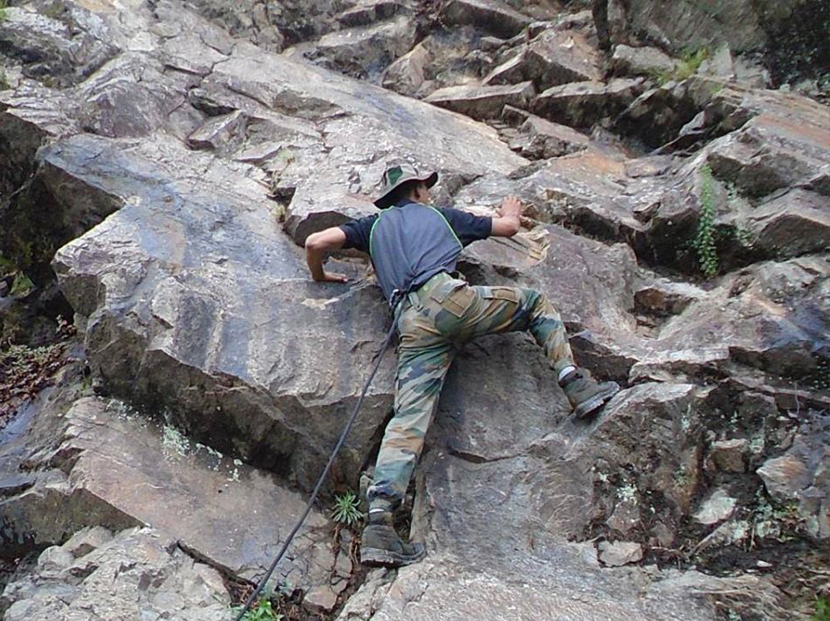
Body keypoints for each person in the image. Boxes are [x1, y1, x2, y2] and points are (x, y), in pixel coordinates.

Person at [304, 164, 620, 568]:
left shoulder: (372, 226)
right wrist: (509, 208)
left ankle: (380, 524)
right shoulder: (441, 216)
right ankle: (575, 384)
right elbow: (507, 228)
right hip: (451, 300)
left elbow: (315, 241)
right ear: (417, 190)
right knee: (534, 303)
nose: (429, 194)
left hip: (411, 325)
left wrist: (321, 275)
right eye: (426, 188)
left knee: (408, 420)